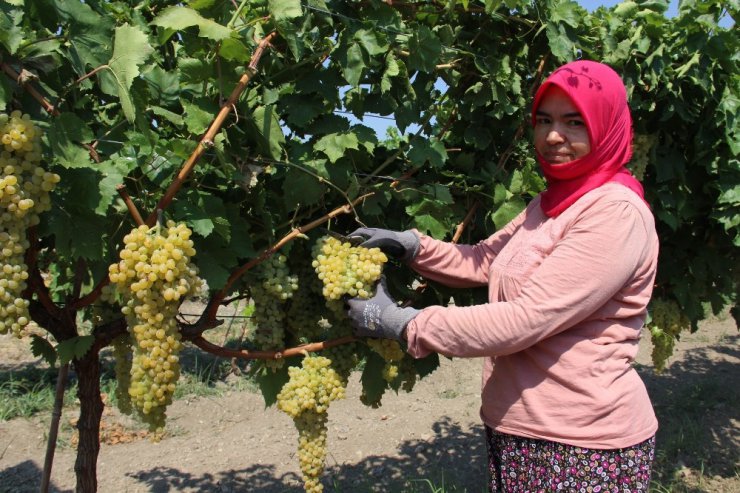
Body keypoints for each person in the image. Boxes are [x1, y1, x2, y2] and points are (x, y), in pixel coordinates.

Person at [346, 60, 659, 492]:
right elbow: (484, 259)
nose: (553, 136)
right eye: (544, 120)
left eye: (574, 122)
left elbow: (526, 318)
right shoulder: (549, 204)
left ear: (606, 127)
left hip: (582, 445)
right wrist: (412, 245)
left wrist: (403, 323)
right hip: (520, 430)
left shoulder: (615, 214)